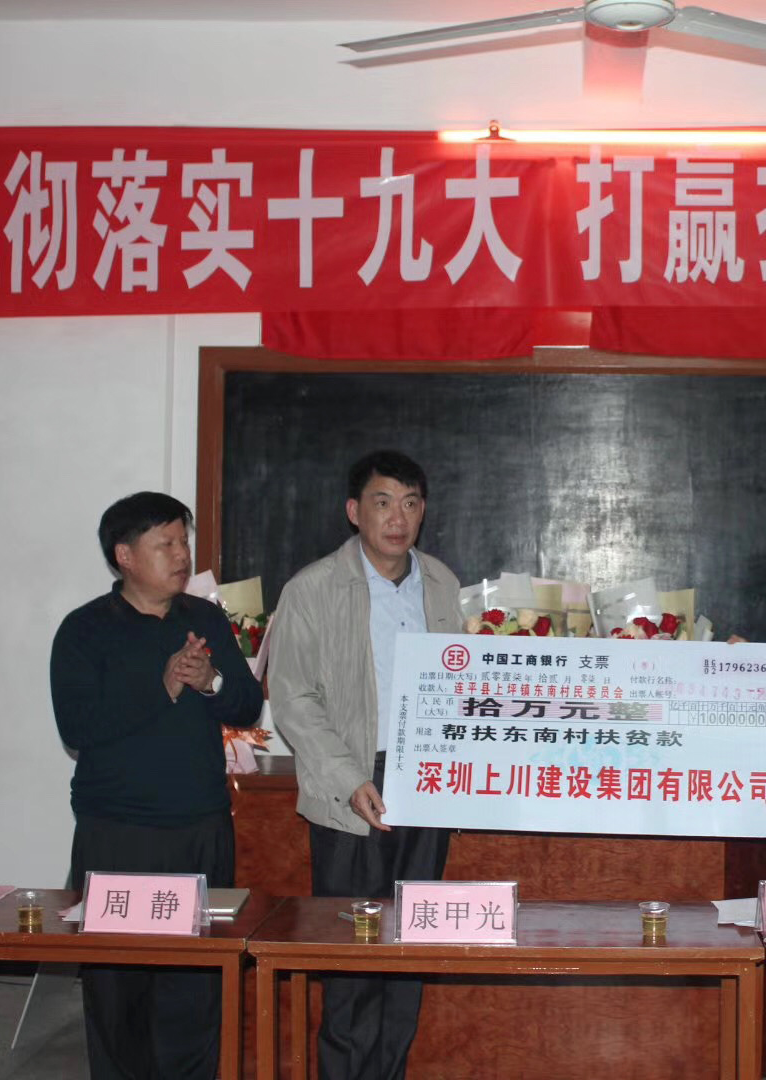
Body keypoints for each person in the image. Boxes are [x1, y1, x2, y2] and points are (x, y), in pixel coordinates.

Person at [50, 492, 262, 1080]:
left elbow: (247, 704)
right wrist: (161, 687)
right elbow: (77, 728)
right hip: (120, 836)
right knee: (119, 992)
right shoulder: (85, 629)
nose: (181, 554)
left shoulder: (205, 620)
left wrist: (211, 681)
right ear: (124, 555)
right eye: (165, 543)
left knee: (197, 988)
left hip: (201, 831)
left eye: (183, 541)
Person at [269, 450, 462, 1080]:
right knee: (352, 956)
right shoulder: (312, 588)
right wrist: (350, 779)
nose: (397, 517)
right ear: (355, 511)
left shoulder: (441, 582)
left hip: (425, 781)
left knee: (410, 946)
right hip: (350, 784)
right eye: (382, 502)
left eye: (410, 503)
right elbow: (293, 698)